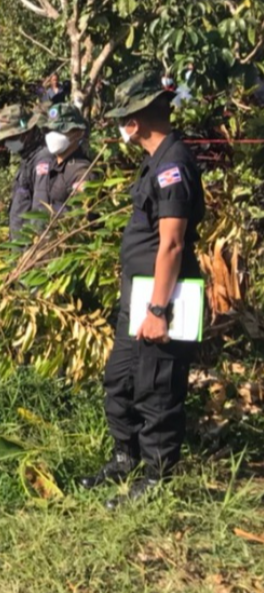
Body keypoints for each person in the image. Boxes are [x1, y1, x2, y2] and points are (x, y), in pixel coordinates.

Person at [80, 70, 205, 507]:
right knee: (121, 379)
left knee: (157, 387)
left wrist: (157, 311)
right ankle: (124, 456)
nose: (121, 126)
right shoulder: (156, 160)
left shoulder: (174, 164)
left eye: (123, 118)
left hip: (162, 299)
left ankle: (156, 477)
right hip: (138, 295)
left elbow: (171, 242)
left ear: (134, 121)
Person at [29, 103, 92, 224]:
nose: (53, 135)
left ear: (78, 133)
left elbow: (83, 220)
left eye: (61, 130)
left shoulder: (81, 172)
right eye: (50, 130)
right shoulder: (49, 165)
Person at [0, 104, 44, 241]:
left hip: (31, 247)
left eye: (11, 138)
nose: (8, 143)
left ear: (26, 133)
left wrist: (33, 247)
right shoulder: (27, 158)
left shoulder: (42, 160)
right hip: (21, 245)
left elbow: (41, 209)